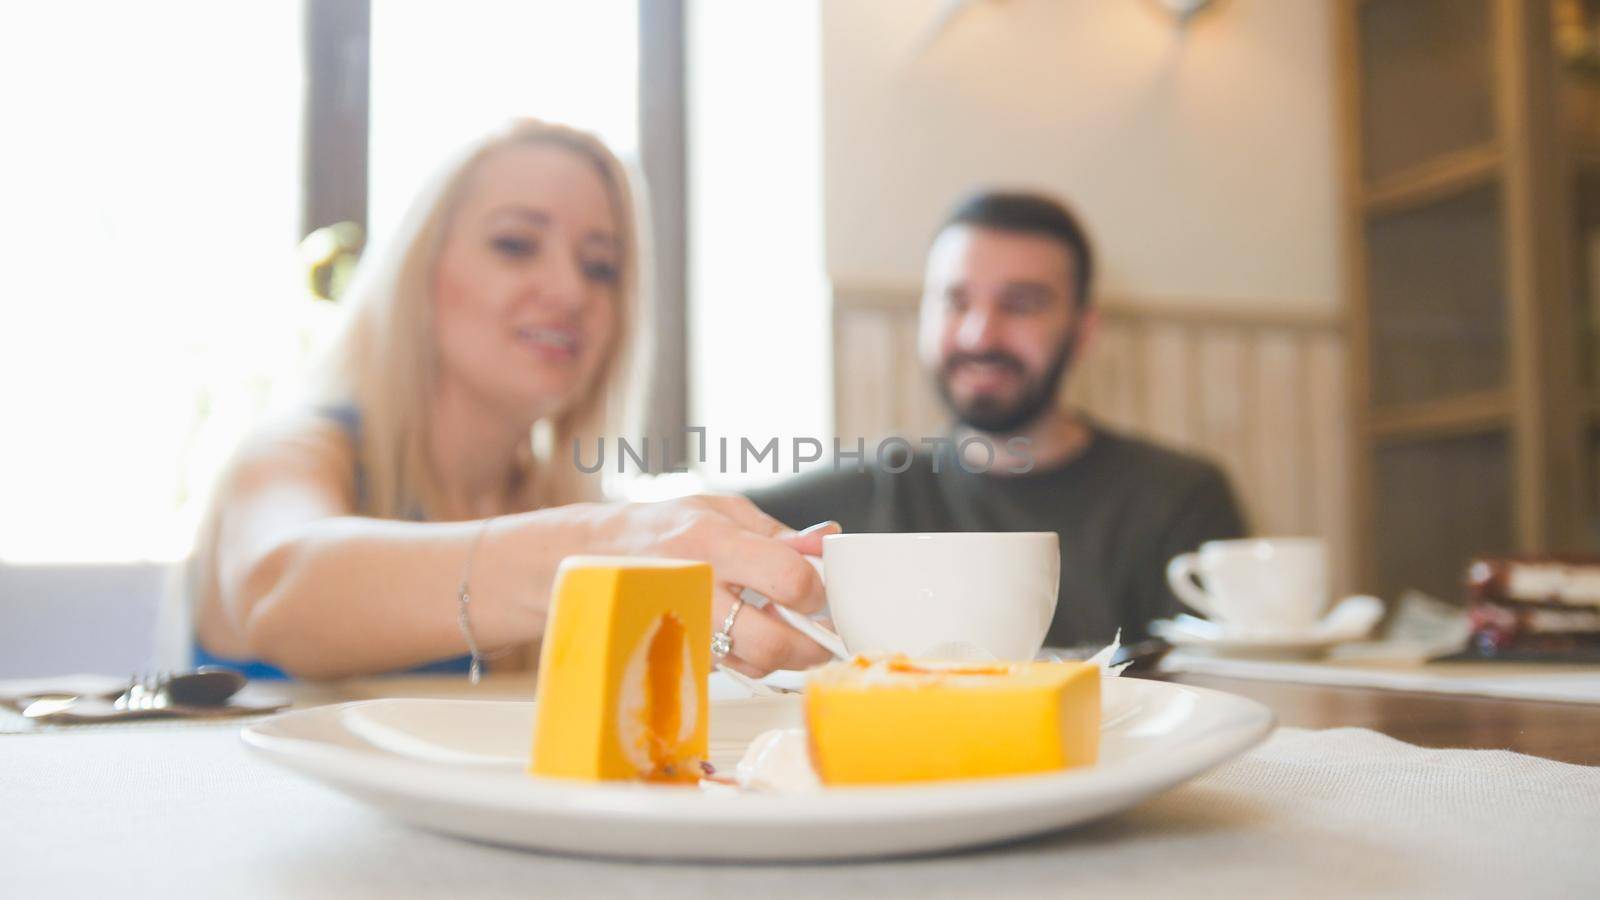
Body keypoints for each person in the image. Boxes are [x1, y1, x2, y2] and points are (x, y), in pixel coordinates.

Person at [191, 119, 835, 680]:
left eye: (600, 266)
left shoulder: (555, 503)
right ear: (419, 272)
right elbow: (277, 586)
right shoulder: (299, 449)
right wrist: (600, 549)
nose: (569, 289)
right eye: (515, 245)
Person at [748, 191, 1246, 647]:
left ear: (1083, 330)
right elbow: (702, 521)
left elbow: (1224, 691)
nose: (979, 335)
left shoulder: (1178, 497)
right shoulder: (876, 487)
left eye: (1021, 304)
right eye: (955, 301)